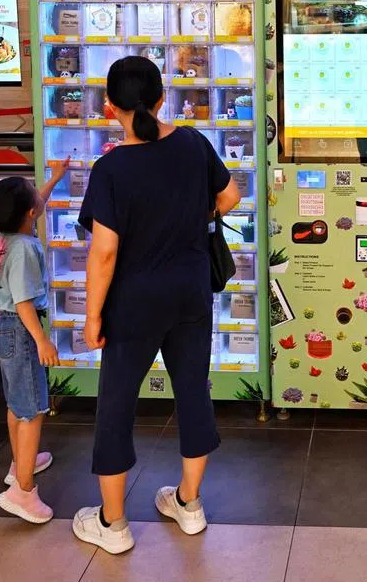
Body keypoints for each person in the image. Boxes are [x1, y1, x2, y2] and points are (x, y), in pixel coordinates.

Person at [72, 56, 240, 555]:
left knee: (117, 404)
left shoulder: (110, 169)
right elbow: (230, 196)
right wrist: (190, 216)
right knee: (193, 393)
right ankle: (189, 504)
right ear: (163, 99)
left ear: (109, 106)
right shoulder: (192, 142)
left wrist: (92, 316)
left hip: (134, 302)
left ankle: (113, 523)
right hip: (191, 292)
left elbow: (104, 252)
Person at [0, 166, 68, 524]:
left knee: (17, 403)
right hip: (20, 328)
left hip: (2, 326)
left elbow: (35, 203)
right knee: (32, 410)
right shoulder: (25, 249)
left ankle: (20, 463)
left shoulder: (3, 235)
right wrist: (42, 341)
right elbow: (25, 302)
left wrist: (55, 179)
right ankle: (23, 491)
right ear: (30, 213)